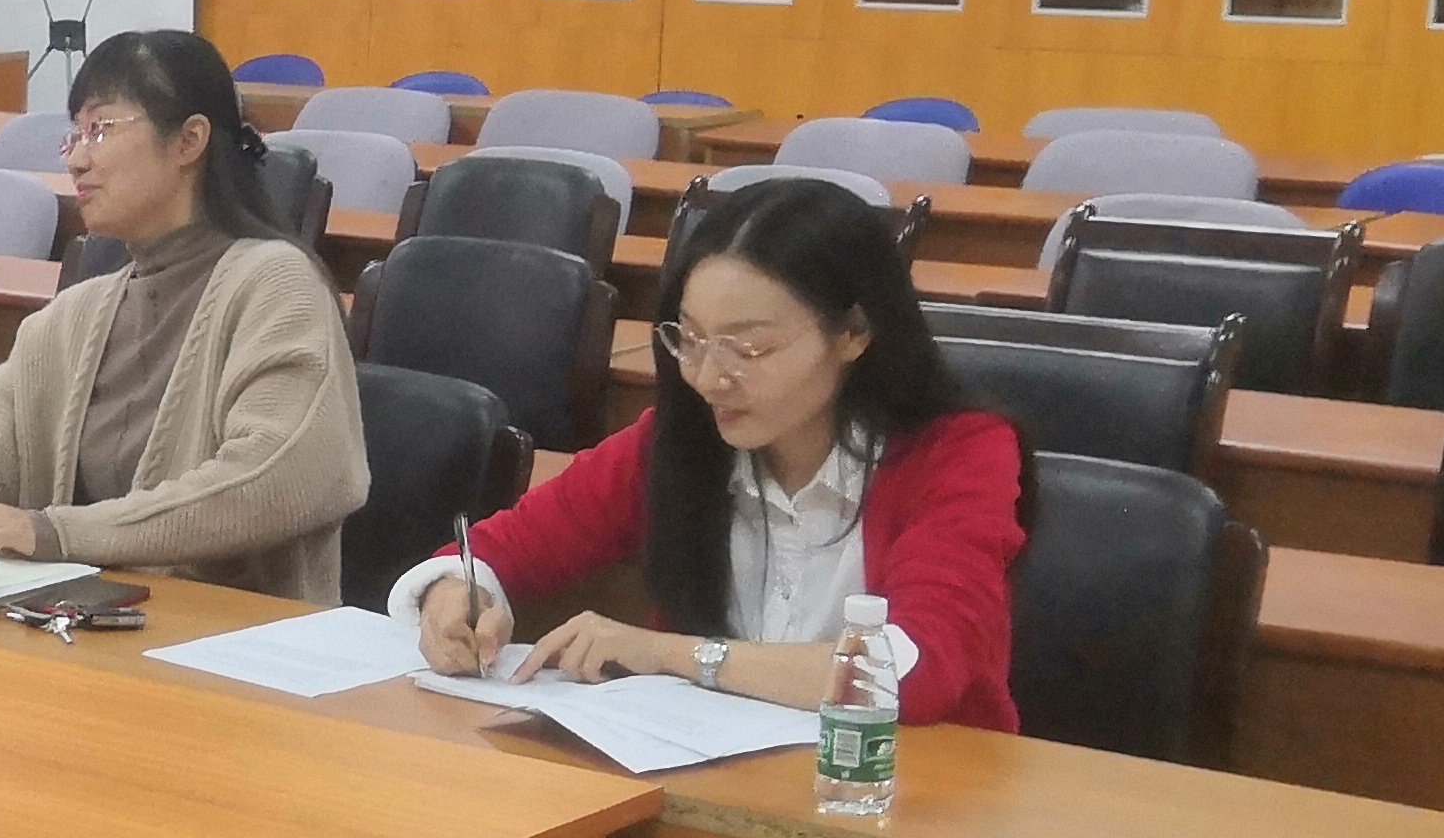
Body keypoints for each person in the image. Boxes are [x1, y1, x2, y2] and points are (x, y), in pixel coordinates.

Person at [397, 174, 1027, 726]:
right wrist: (458, 593)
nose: (707, 377)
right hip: (713, 779)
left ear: (854, 333)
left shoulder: (958, 454)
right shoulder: (679, 438)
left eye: (748, 348)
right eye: (691, 340)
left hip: (905, 792)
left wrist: (670, 654)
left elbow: (912, 670)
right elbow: (500, 549)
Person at [0, 28, 364, 593]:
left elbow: (277, 476)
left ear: (189, 140)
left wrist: (61, 533)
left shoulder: (277, 285)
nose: (76, 159)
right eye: (74, 135)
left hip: (237, 634)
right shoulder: (74, 314)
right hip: (84, 624)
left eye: (100, 130)